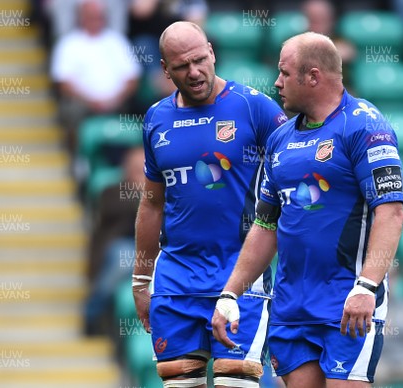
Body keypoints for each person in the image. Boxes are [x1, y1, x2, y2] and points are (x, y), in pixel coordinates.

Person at [212, 32, 403, 388]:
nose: (276, 82)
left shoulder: (365, 125)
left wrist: (366, 286)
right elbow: (265, 225)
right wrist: (230, 293)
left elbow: (391, 213)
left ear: (313, 76)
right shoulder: (278, 140)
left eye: (285, 73)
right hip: (291, 307)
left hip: (346, 303)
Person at [132, 21, 287, 388]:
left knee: (236, 383)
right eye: (182, 66)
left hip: (240, 275)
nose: (195, 72)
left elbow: (294, 175)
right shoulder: (156, 119)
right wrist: (141, 279)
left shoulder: (255, 108)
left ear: (212, 52)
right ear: (165, 70)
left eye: (200, 59)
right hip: (176, 280)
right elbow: (152, 204)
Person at [50, 0, 141, 155]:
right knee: (71, 111)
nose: (95, 20)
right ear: (81, 17)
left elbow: (132, 80)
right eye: (91, 16)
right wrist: (91, 101)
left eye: (98, 16)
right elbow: (63, 83)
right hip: (82, 105)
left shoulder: (117, 41)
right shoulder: (68, 43)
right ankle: (79, 158)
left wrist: (113, 100)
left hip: (117, 104)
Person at [84, 147, 145, 336]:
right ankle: (94, 310)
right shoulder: (111, 192)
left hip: (156, 251)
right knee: (124, 255)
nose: (141, 173)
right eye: (136, 168)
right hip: (120, 251)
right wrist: (147, 196)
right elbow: (126, 212)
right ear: (126, 168)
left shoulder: (163, 194)